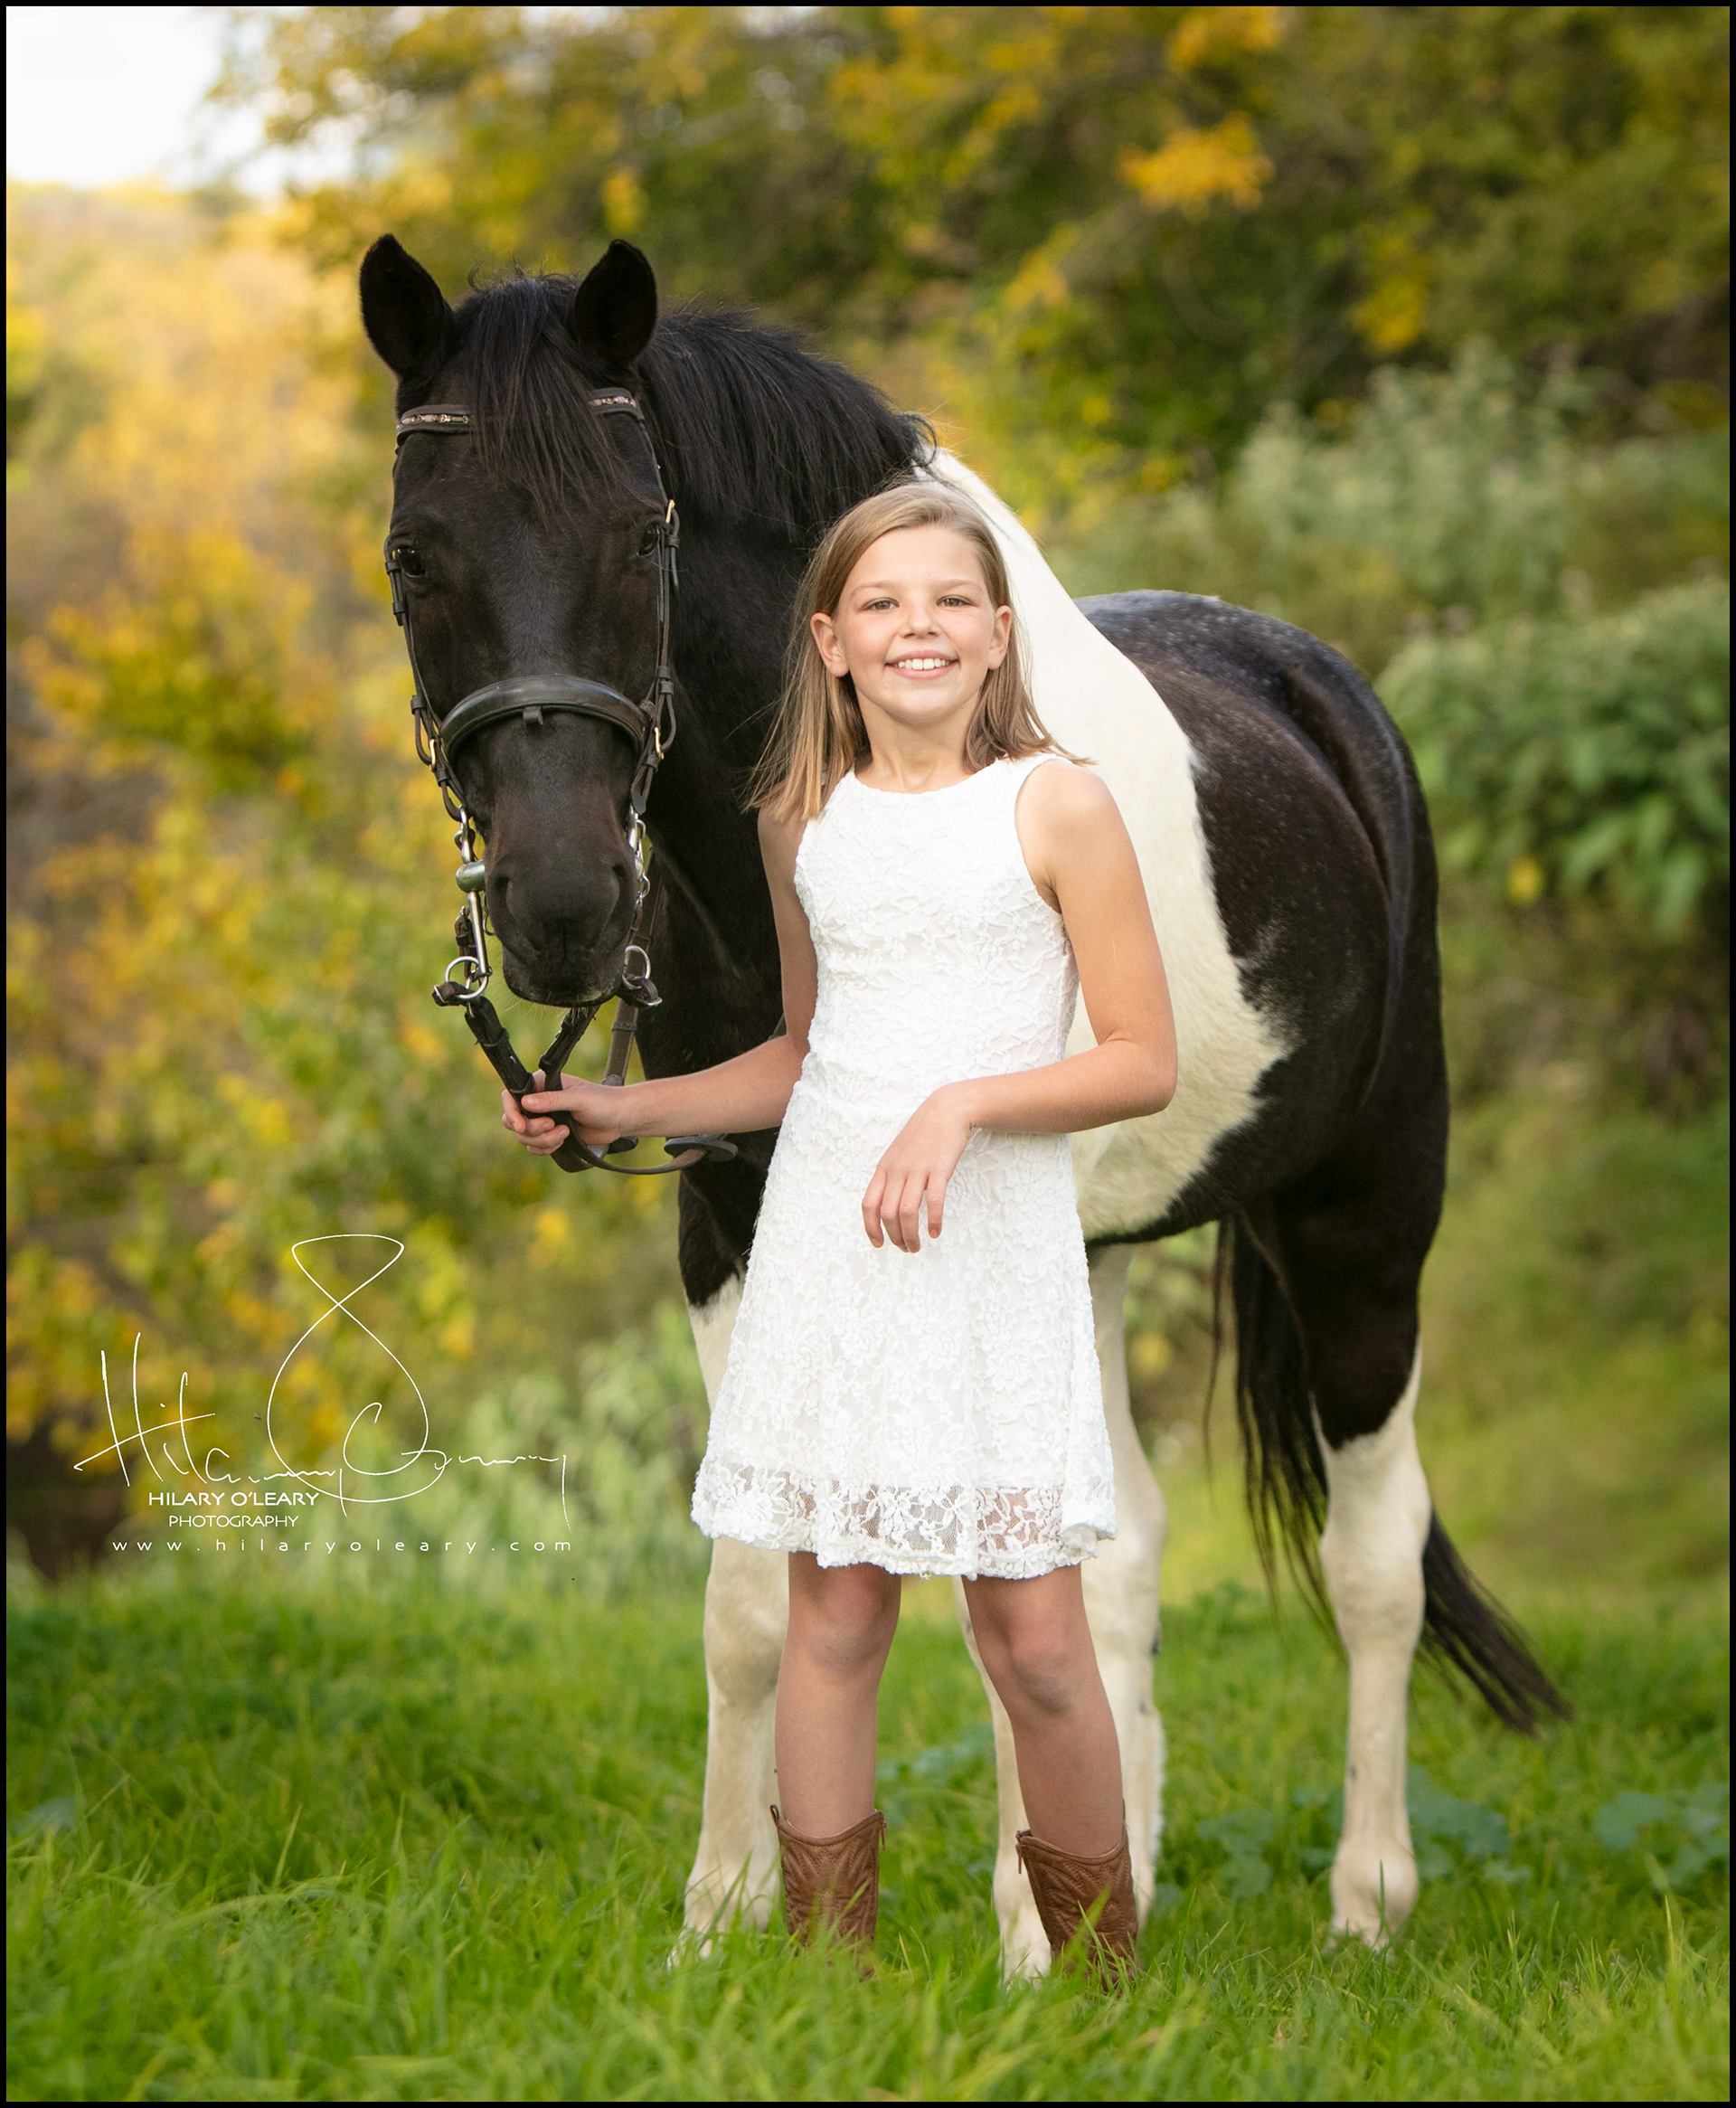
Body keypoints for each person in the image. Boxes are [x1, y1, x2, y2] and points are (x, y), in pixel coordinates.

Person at [505, 479, 1176, 1976]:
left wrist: (962, 1106)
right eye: (882, 604)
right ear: (830, 640)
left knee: (1036, 1641)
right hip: (836, 1250)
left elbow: (1144, 1058)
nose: (916, 628)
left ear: (997, 634)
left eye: (948, 602)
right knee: (836, 1616)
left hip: (991, 1253)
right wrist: (621, 1105)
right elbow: (806, 1054)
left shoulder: (1058, 806)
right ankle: (828, 1982)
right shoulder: (799, 819)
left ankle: (1100, 1978)